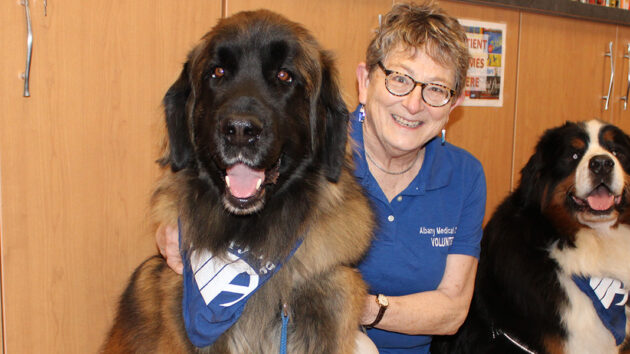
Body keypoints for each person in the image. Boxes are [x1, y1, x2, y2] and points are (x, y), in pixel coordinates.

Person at [156, 1, 486, 353]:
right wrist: (177, 230)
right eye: (400, 79)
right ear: (364, 81)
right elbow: (202, 208)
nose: (413, 104)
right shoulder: (319, 153)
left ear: (455, 104)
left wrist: (353, 305)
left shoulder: (464, 175)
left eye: (436, 89)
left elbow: (452, 310)